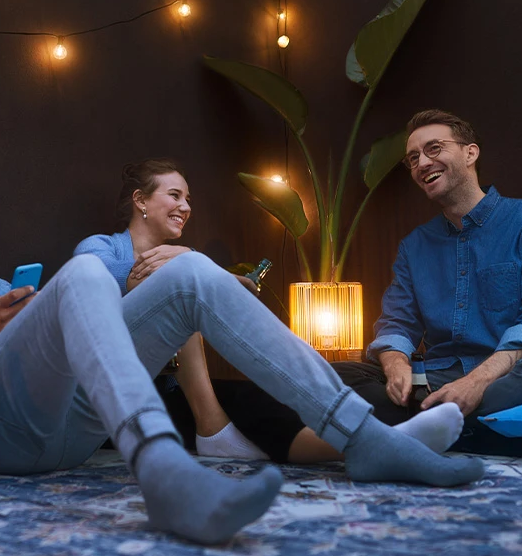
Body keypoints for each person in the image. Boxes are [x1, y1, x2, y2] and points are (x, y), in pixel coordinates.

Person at [0, 165, 484, 547]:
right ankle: (159, 467)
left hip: (69, 430)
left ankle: (362, 435)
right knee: (83, 273)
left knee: (196, 276)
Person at [74, 159, 410, 466]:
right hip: (115, 394)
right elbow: (101, 290)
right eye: (175, 195)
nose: (185, 207)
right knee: (183, 296)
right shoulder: (98, 248)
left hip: (172, 389)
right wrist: (187, 262)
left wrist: (195, 264)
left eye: (188, 199)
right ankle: (215, 430)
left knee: (253, 400)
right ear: (141, 200)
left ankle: (374, 444)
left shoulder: (183, 259)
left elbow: (220, 287)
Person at [335, 109, 522, 433]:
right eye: (413, 158)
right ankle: (458, 429)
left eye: (434, 148)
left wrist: (477, 382)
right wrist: (396, 365)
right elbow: (398, 322)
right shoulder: (415, 247)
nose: (422, 163)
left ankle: (413, 428)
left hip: (508, 377)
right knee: (334, 374)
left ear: (470, 153)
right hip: (436, 379)